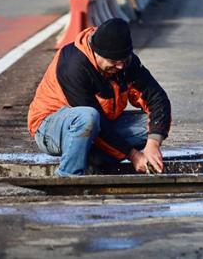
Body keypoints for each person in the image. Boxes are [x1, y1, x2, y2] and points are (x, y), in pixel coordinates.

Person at [27, 18, 171, 176]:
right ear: (96, 53)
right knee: (88, 117)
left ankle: (92, 160)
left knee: (152, 125)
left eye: (124, 60)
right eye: (113, 61)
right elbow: (97, 123)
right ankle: (68, 176)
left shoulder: (127, 63)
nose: (120, 66)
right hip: (50, 128)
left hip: (97, 126)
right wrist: (134, 155)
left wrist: (153, 144)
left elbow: (158, 99)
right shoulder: (73, 66)